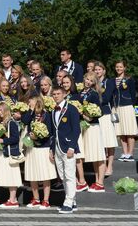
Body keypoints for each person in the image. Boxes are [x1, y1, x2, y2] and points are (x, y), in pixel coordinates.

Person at [50, 86, 81, 214]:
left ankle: (68, 202)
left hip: (68, 146)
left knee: (69, 175)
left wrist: (72, 146)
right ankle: (72, 201)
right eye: (54, 94)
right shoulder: (53, 110)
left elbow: (76, 129)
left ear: (64, 95)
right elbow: (53, 132)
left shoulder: (71, 108)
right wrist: (51, 149)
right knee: (62, 175)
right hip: (57, 146)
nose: (56, 96)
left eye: (58, 94)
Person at [21, 96, 55, 209]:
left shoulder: (46, 114)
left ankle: (46, 200)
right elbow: (25, 121)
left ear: (37, 102)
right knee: (32, 174)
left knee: (45, 175)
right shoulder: (30, 114)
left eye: (31, 101)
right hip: (32, 148)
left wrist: (38, 137)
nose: (29, 102)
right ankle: (36, 199)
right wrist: (30, 110)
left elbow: (50, 132)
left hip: (43, 148)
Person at [0, 102, 22, 208]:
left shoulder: (11, 122)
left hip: (10, 153)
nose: (0, 113)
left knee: (12, 176)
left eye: (1, 110)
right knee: (8, 176)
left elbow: (15, 139)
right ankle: (11, 199)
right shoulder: (1, 123)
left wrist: (2, 140)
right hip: (3, 152)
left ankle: (13, 200)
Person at [112, 61, 138, 162]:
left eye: (120, 67)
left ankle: (130, 154)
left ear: (124, 68)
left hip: (127, 106)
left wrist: (131, 104)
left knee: (130, 131)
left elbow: (133, 93)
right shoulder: (113, 80)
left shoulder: (129, 79)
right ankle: (124, 153)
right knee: (121, 131)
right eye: (117, 67)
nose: (118, 68)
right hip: (117, 107)